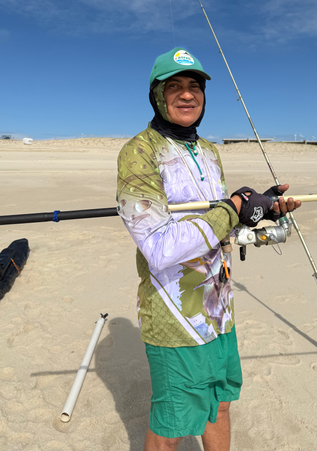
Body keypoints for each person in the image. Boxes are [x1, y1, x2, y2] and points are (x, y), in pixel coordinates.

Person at [117, 47, 301, 451]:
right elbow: (158, 248)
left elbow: (216, 227)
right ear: (156, 96)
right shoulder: (139, 152)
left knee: (220, 404)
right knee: (173, 424)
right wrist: (232, 208)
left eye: (195, 86)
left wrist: (259, 211)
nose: (187, 94)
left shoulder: (210, 152)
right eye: (175, 86)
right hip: (175, 316)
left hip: (219, 311)